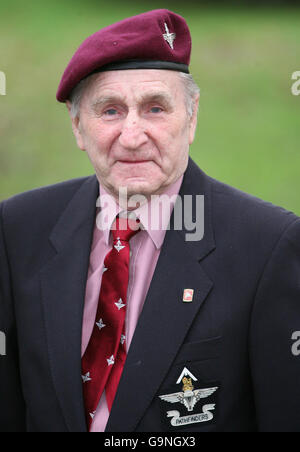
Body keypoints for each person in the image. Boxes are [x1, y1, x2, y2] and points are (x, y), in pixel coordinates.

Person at [0, 9, 300, 433]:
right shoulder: (17, 230)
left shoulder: (269, 245)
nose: (133, 135)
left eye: (155, 108)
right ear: (77, 127)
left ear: (191, 118)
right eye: (110, 111)